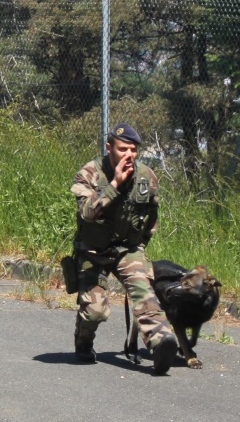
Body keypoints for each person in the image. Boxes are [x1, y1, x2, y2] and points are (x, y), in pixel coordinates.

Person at [70, 123, 180, 374]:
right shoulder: (89, 173)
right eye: (122, 149)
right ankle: (83, 340)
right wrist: (115, 184)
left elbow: (152, 217)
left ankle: (161, 341)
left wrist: (139, 248)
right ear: (109, 148)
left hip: (127, 249)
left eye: (133, 150)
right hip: (94, 251)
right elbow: (87, 213)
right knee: (95, 312)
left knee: (144, 293)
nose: (128, 155)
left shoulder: (146, 176)